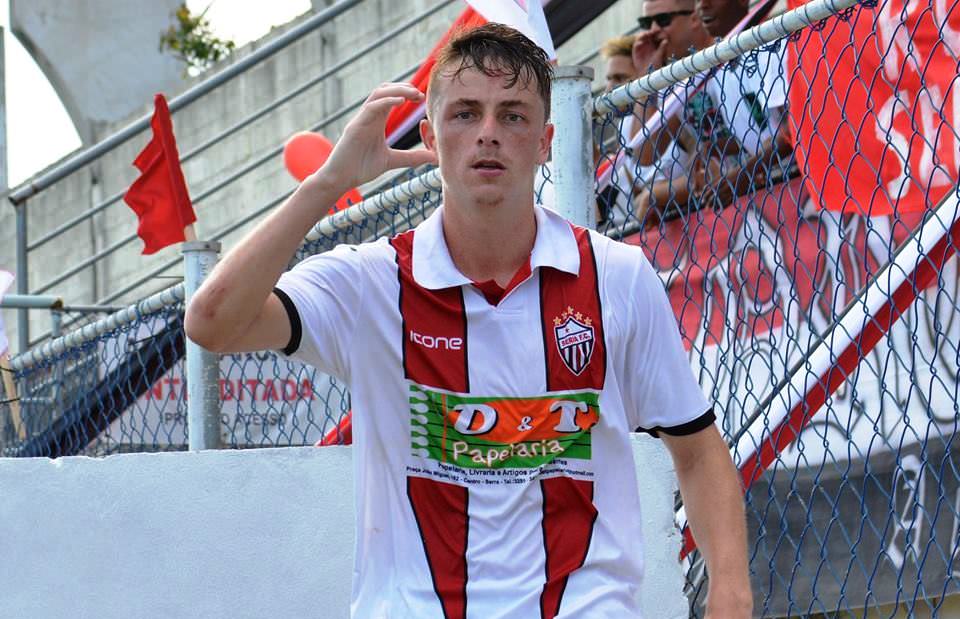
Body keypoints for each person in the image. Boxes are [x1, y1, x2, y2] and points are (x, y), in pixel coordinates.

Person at [185, 24, 751, 618]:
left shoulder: (618, 276)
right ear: (430, 137)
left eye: (512, 115)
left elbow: (696, 449)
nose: (487, 133)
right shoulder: (370, 281)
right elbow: (212, 323)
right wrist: (327, 182)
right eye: (464, 113)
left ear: (545, 142)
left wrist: (732, 594)